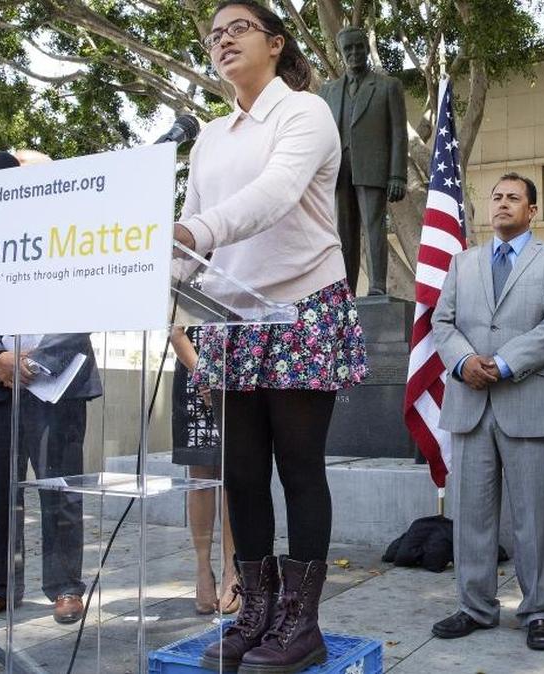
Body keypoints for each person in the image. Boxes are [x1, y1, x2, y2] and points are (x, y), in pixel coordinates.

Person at [174, 2, 368, 671]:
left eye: (237, 29)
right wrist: (151, 273)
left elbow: (277, 193)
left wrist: (194, 234)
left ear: (275, 42)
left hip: (299, 309)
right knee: (243, 476)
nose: (222, 40)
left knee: (299, 468)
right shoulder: (210, 135)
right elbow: (190, 230)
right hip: (227, 322)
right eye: (214, 34)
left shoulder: (304, 112)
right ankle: (254, 614)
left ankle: (300, 622)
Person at [429, 172, 544, 652]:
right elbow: (442, 321)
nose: (503, 204)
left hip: (530, 400)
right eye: (496, 197)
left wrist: (505, 362)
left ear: (532, 210)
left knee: (534, 516)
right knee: (471, 514)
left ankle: (539, 612)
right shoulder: (462, 262)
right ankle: (475, 606)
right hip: (470, 403)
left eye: (514, 198)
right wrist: (463, 361)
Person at [0, 149, 98, 627]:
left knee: (59, 490)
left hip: (57, 386)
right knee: (0, 493)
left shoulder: (79, 238)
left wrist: (33, 364)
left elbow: (91, 305)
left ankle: (64, 588)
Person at [317, 25, 409, 296]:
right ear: (341, 53)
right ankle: (347, 292)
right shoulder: (328, 92)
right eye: (349, 48)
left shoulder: (388, 86)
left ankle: (378, 286)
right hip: (338, 172)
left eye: (359, 47)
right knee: (343, 234)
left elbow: (398, 133)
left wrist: (397, 175)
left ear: (366, 49)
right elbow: (320, 136)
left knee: (373, 228)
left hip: (373, 169)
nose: (355, 52)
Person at [169, 325, 238, 615]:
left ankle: (232, 573)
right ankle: (202, 570)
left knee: (234, 476)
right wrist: (203, 376)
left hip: (239, 367)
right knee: (200, 477)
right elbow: (174, 331)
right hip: (193, 367)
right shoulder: (186, 276)